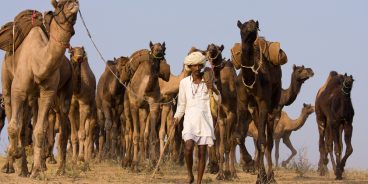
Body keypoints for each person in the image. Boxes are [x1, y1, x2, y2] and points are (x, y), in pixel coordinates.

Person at [173, 51, 216, 184]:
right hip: (190, 120)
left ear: (202, 66)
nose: (197, 68)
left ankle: (198, 181)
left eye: (199, 65)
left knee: (202, 152)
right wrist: (177, 118)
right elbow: (181, 104)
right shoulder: (184, 83)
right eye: (194, 66)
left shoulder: (208, 81)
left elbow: (218, 100)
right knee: (188, 147)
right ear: (190, 67)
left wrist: (213, 89)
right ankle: (190, 174)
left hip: (205, 120)